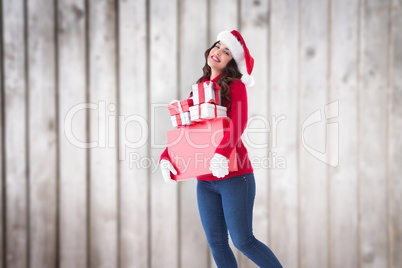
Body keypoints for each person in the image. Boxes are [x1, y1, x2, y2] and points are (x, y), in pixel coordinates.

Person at [159, 30, 283, 268]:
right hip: (205, 181)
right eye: (217, 46)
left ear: (232, 62)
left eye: (226, 51)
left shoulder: (235, 86)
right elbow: (187, 130)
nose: (218, 52)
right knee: (216, 243)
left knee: (243, 241)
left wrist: (221, 154)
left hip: (235, 177)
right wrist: (167, 157)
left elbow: (239, 122)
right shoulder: (199, 88)